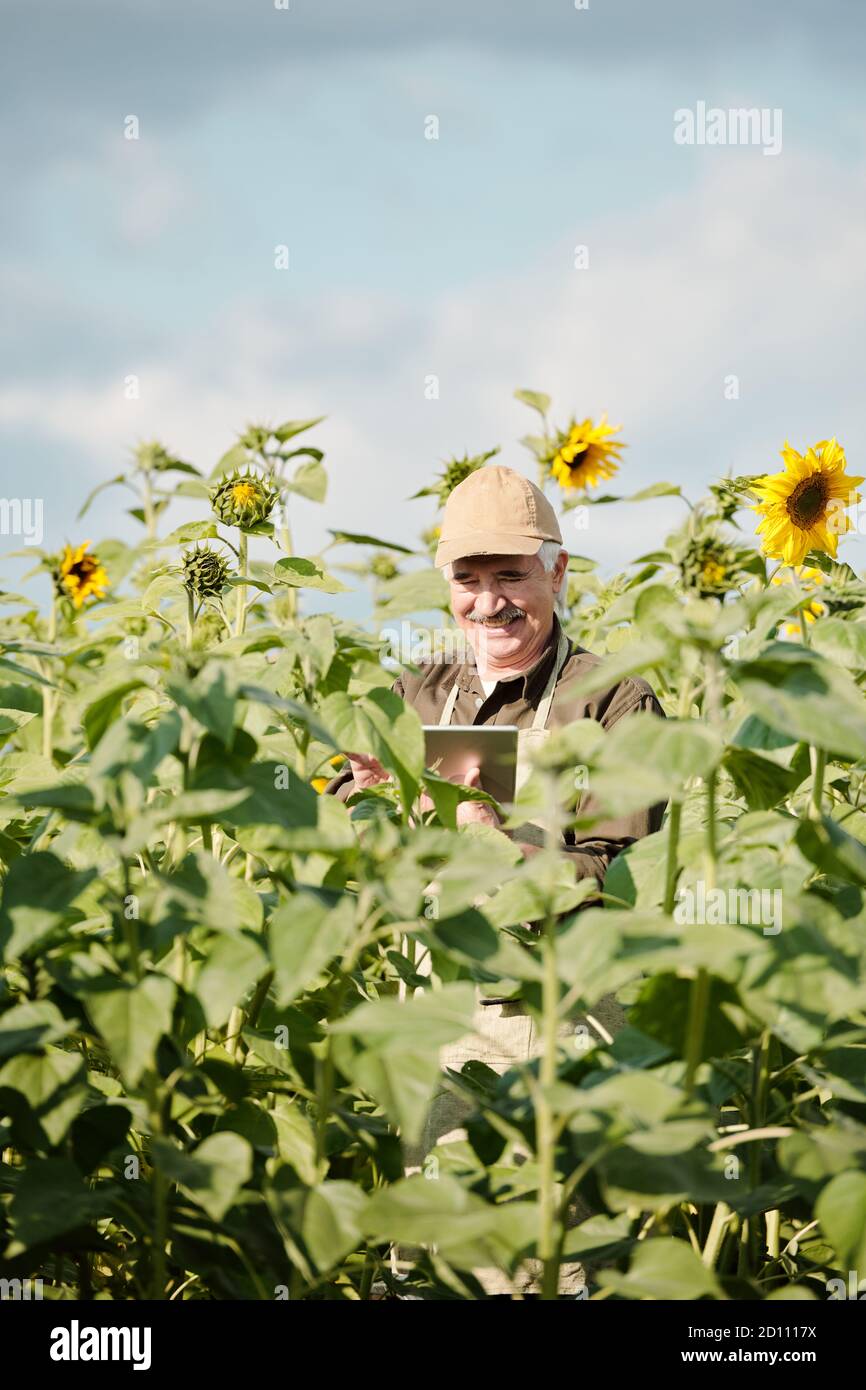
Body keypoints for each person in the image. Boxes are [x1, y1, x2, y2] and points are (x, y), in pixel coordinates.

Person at [325, 464, 667, 1295]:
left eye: (511, 575)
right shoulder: (419, 690)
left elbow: (623, 871)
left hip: (559, 1029)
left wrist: (497, 842)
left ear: (557, 571)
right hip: (430, 1022)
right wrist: (355, 790)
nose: (490, 602)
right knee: (425, 1266)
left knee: (543, 1262)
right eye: (469, 580)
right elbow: (325, 807)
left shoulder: (613, 699)